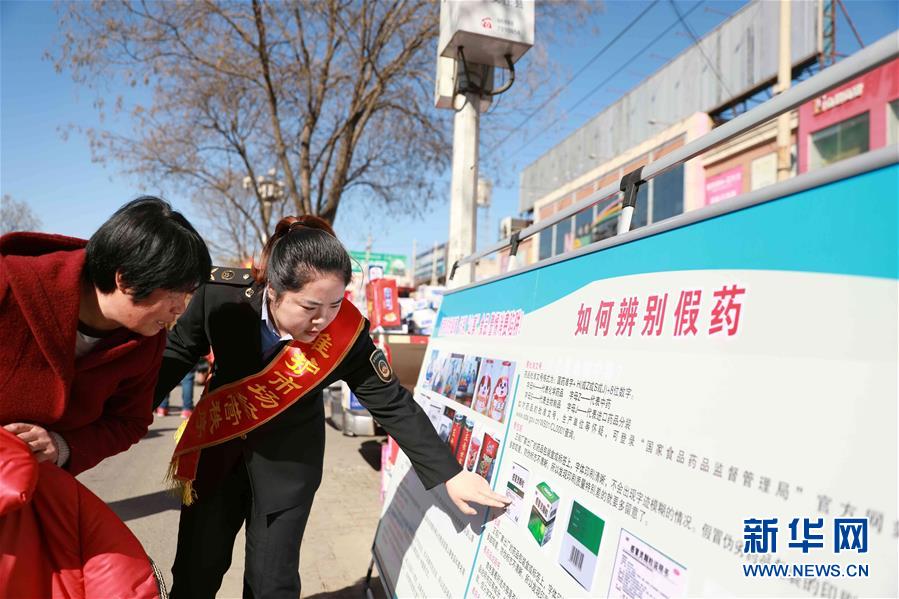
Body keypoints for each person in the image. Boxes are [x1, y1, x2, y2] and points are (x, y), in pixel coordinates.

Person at [155, 216, 509, 599]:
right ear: (272, 290)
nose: (323, 321)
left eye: (335, 304)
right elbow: (176, 354)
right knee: (195, 573)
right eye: (310, 306)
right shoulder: (220, 297)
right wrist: (128, 412)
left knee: (272, 586)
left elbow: (391, 402)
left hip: (288, 469)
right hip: (217, 458)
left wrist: (449, 473)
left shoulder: (346, 333)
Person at [0, 196, 212, 596]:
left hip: (37, 503)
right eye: (175, 294)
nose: (182, 309)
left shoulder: (147, 342)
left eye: (189, 295)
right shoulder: (12, 285)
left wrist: (63, 446)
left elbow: (130, 422)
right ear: (125, 278)